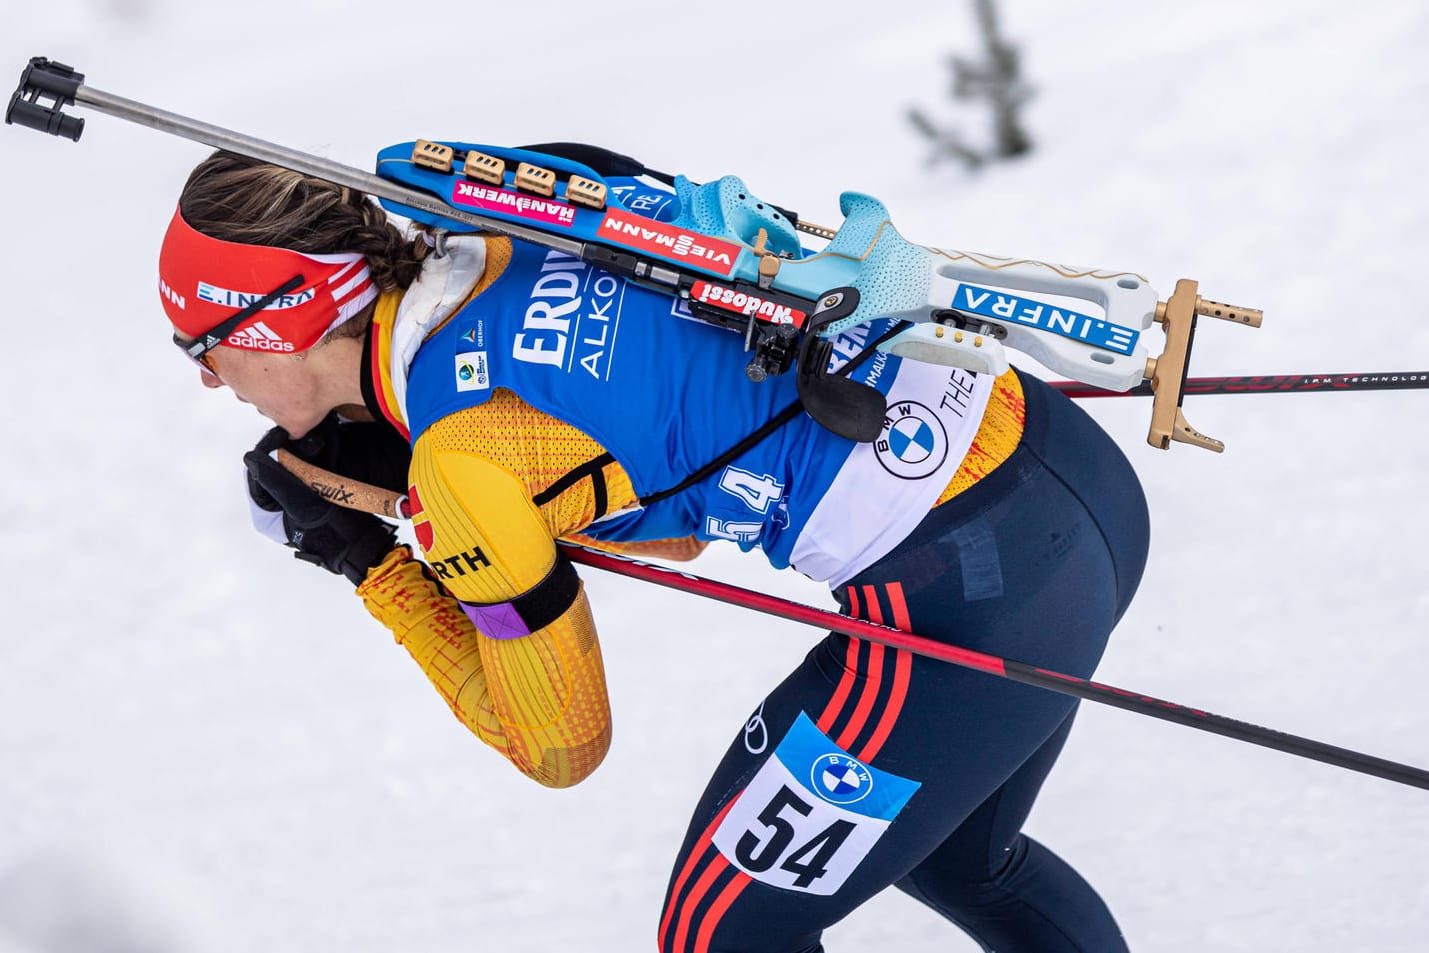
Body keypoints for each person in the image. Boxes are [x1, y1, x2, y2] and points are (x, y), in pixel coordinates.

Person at [159, 148, 1151, 953]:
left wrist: (372, 563)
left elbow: (557, 744)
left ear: (277, 322)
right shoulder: (505, 210)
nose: (210, 381)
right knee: (959, 855)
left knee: (719, 936)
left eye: (201, 343)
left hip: (974, 589)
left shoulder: (463, 462)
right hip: (1064, 465)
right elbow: (670, 506)